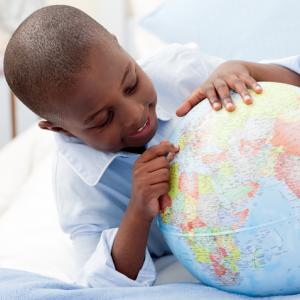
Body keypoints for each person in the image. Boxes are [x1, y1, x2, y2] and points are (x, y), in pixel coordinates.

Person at [3, 5, 300, 288]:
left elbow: (291, 91)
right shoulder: (78, 189)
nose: (134, 116)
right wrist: (138, 212)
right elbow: (103, 283)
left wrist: (245, 70)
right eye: (103, 119)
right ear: (59, 128)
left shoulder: (180, 70)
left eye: (131, 84)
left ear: (121, 48)